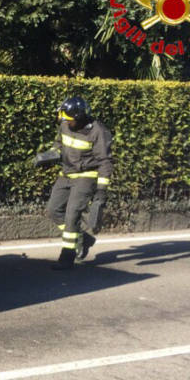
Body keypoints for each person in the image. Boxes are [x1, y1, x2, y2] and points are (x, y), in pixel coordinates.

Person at [41, 96, 113, 270]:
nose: (65, 122)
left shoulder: (98, 132)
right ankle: (84, 239)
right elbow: (59, 144)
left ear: (79, 118)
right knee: (53, 210)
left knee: (72, 215)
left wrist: (101, 191)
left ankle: (67, 258)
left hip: (85, 177)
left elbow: (105, 162)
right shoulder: (65, 124)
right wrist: (48, 155)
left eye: (69, 119)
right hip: (66, 174)